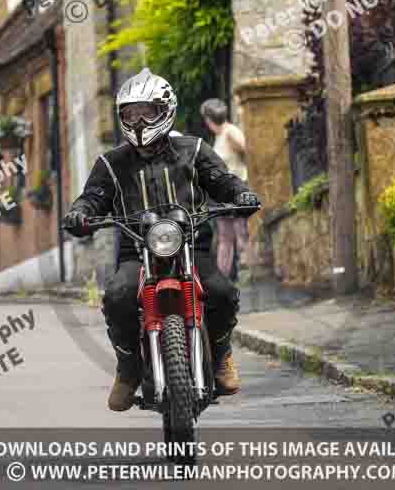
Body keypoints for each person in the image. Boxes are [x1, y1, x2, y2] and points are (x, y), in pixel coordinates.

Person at [62, 68, 259, 412]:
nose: (138, 120)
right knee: (119, 297)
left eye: (146, 112)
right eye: (129, 113)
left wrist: (241, 193)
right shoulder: (111, 163)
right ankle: (127, 370)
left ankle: (222, 353)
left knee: (222, 292)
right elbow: (92, 197)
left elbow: (222, 181)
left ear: (165, 110)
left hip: (190, 245)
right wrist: (80, 213)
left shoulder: (194, 150)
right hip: (135, 252)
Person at [200, 98, 250, 280]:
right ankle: (222, 277)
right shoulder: (220, 135)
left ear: (208, 119)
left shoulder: (230, 132)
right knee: (225, 236)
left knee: (241, 232)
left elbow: (247, 151)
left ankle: (250, 273)